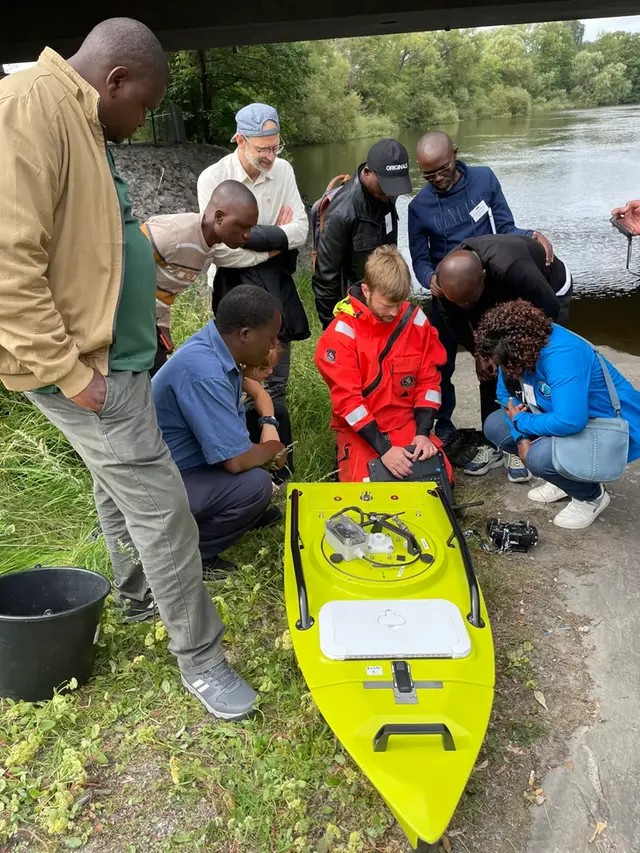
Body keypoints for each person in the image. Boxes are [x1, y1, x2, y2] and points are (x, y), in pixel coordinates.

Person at [0, 18, 257, 721]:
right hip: (90, 368)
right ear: (114, 80)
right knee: (164, 508)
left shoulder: (82, 118)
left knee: (118, 491)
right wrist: (69, 370)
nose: (142, 123)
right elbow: (8, 264)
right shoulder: (31, 107)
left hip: (123, 360)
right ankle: (201, 658)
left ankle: (142, 599)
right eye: (143, 107)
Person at [408, 130, 553, 446]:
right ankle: (443, 426)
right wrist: (429, 277)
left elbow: (506, 228)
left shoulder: (484, 180)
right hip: (447, 296)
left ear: (455, 154)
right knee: (439, 365)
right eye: (428, 174)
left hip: (487, 288)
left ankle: (513, 432)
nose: (437, 178)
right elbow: (419, 259)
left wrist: (529, 235)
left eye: (442, 169)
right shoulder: (418, 207)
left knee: (499, 361)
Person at [152, 286, 287, 575]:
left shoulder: (214, 348)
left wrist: (267, 425)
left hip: (185, 467)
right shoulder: (204, 372)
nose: (273, 345)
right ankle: (192, 556)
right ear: (245, 335)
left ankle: (238, 515)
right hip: (161, 484)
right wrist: (272, 449)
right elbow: (235, 460)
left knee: (255, 466)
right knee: (255, 486)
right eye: (270, 337)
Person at [479, 300, 640, 529]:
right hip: (564, 418)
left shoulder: (562, 354)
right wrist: (520, 437)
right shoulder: (519, 353)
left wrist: (522, 423)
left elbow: (570, 421)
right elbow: (506, 398)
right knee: (495, 426)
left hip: (607, 426)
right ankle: (565, 478)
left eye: (506, 364)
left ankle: (591, 496)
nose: (504, 370)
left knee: (538, 457)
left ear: (520, 348)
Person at [197, 103, 310, 405]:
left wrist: (245, 239)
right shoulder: (213, 179)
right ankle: (242, 443)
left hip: (276, 285)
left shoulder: (283, 170)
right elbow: (219, 253)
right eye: (263, 150)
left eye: (276, 147)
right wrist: (275, 244)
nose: (271, 157)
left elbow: (301, 231)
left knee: (276, 374)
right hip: (232, 288)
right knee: (239, 379)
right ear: (240, 141)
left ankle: (278, 440)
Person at [435, 234, 573, 481]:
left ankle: (542, 440)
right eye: (459, 302)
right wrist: (479, 352)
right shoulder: (447, 283)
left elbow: (547, 310)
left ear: (483, 278)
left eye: (469, 301)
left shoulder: (511, 266)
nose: (464, 306)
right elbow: (454, 320)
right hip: (492, 299)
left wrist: (513, 356)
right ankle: (500, 443)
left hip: (547, 289)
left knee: (529, 363)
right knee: (489, 368)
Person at [314, 246, 451, 483]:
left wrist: (422, 434)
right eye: (387, 303)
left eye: (400, 303)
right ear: (366, 290)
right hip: (361, 430)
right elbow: (348, 403)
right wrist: (385, 450)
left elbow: (429, 383)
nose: (394, 312)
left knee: (440, 480)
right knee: (369, 489)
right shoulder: (341, 334)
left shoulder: (416, 322)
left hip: (405, 423)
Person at [143, 180, 259, 376]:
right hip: (125, 321)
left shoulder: (212, 249)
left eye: (251, 228)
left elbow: (162, 288)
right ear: (219, 217)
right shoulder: (171, 235)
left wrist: (162, 325)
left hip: (149, 323)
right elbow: (120, 264)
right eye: (242, 227)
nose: (248, 235)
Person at [311, 139, 413, 329]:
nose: (392, 194)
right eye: (387, 186)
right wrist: (331, 326)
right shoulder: (341, 213)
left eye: (396, 186)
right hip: (355, 306)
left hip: (385, 303)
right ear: (367, 172)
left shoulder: (386, 195)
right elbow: (325, 277)